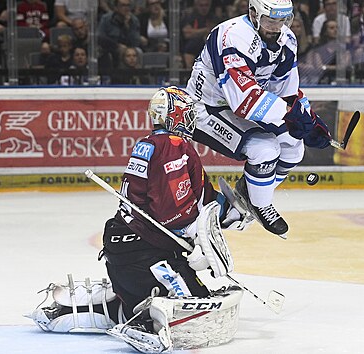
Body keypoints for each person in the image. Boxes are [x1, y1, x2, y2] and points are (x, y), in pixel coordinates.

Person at [26, 87, 244, 352]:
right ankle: (144, 320)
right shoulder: (172, 146)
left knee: (139, 299)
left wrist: (228, 213)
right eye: (186, 113)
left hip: (127, 250)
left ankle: (69, 309)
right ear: (173, 115)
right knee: (197, 307)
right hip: (146, 254)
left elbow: (198, 199)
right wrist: (196, 237)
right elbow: (171, 212)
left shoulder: (154, 144)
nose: (190, 120)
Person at [184, 0, 332, 237]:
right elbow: (243, 100)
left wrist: (307, 118)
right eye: (271, 19)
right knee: (265, 149)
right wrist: (291, 115)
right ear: (253, 13)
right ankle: (261, 204)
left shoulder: (287, 40)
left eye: (283, 20)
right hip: (206, 108)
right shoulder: (233, 37)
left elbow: (286, 92)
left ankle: (250, 193)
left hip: (243, 106)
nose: (277, 26)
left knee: (294, 146)